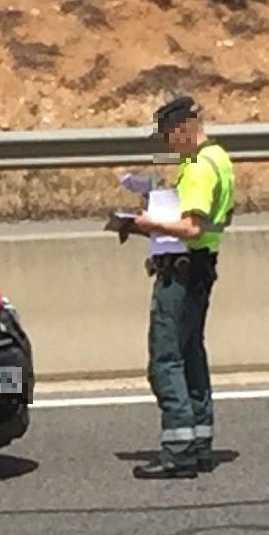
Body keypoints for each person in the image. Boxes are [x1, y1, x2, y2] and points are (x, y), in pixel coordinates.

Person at [131, 94, 235, 479]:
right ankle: (200, 440)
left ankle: (178, 451)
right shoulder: (218, 157)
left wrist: (147, 224)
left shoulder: (199, 168)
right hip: (202, 267)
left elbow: (191, 227)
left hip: (182, 270)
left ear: (184, 130)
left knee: (166, 357)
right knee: (191, 353)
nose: (167, 146)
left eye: (169, 137)